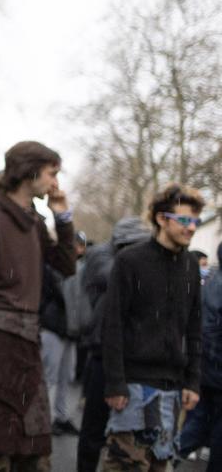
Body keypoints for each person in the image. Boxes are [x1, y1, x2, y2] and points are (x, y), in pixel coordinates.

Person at [0, 140, 76, 471]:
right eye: (52, 174)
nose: (55, 183)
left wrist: (62, 215)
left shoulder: (34, 222)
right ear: (29, 172)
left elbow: (66, 265)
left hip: (27, 348)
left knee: (32, 453)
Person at [100, 184, 205, 471]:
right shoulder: (130, 261)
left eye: (195, 221)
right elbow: (113, 325)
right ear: (161, 219)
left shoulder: (191, 266)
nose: (191, 228)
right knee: (124, 465)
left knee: (161, 464)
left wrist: (193, 381)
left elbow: (195, 328)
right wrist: (115, 382)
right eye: (184, 220)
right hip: (133, 386)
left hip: (173, 389)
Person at [76, 217, 149, 472]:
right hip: (101, 352)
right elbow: (114, 277)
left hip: (132, 355)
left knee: (128, 434)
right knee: (93, 428)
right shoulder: (101, 256)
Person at [177, 240, 222, 469]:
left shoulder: (212, 282)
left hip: (206, 371)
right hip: (215, 372)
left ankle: (167, 457)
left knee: (197, 425)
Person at [39, 230, 88, 437]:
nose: (79, 249)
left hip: (70, 331)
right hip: (54, 327)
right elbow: (63, 295)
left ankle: (60, 416)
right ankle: (42, 418)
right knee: (49, 375)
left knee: (65, 376)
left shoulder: (81, 268)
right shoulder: (54, 266)